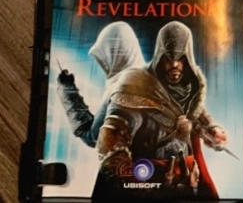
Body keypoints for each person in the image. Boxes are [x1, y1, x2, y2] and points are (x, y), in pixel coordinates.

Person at [93, 22, 228, 197]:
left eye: (180, 58)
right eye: (168, 58)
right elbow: (111, 136)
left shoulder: (189, 88)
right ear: (159, 56)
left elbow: (194, 113)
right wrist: (131, 184)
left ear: (188, 59)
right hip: (146, 183)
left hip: (186, 184)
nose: (174, 64)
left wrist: (211, 129)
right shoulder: (136, 83)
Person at [56, 22, 145, 147]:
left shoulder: (119, 88)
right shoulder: (151, 81)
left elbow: (94, 138)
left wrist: (67, 90)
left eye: (105, 57)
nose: (104, 64)